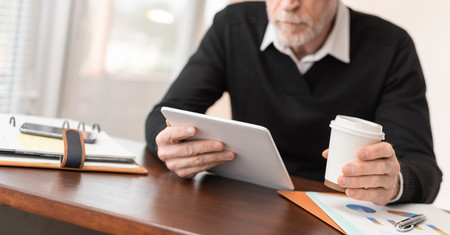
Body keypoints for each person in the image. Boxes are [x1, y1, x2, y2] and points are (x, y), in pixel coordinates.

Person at [145, 0, 442, 205]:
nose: (288, 4)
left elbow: (424, 169)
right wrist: (170, 146)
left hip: (337, 212)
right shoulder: (233, 26)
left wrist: (391, 183)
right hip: (243, 201)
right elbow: (164, 115)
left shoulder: (391, 47)